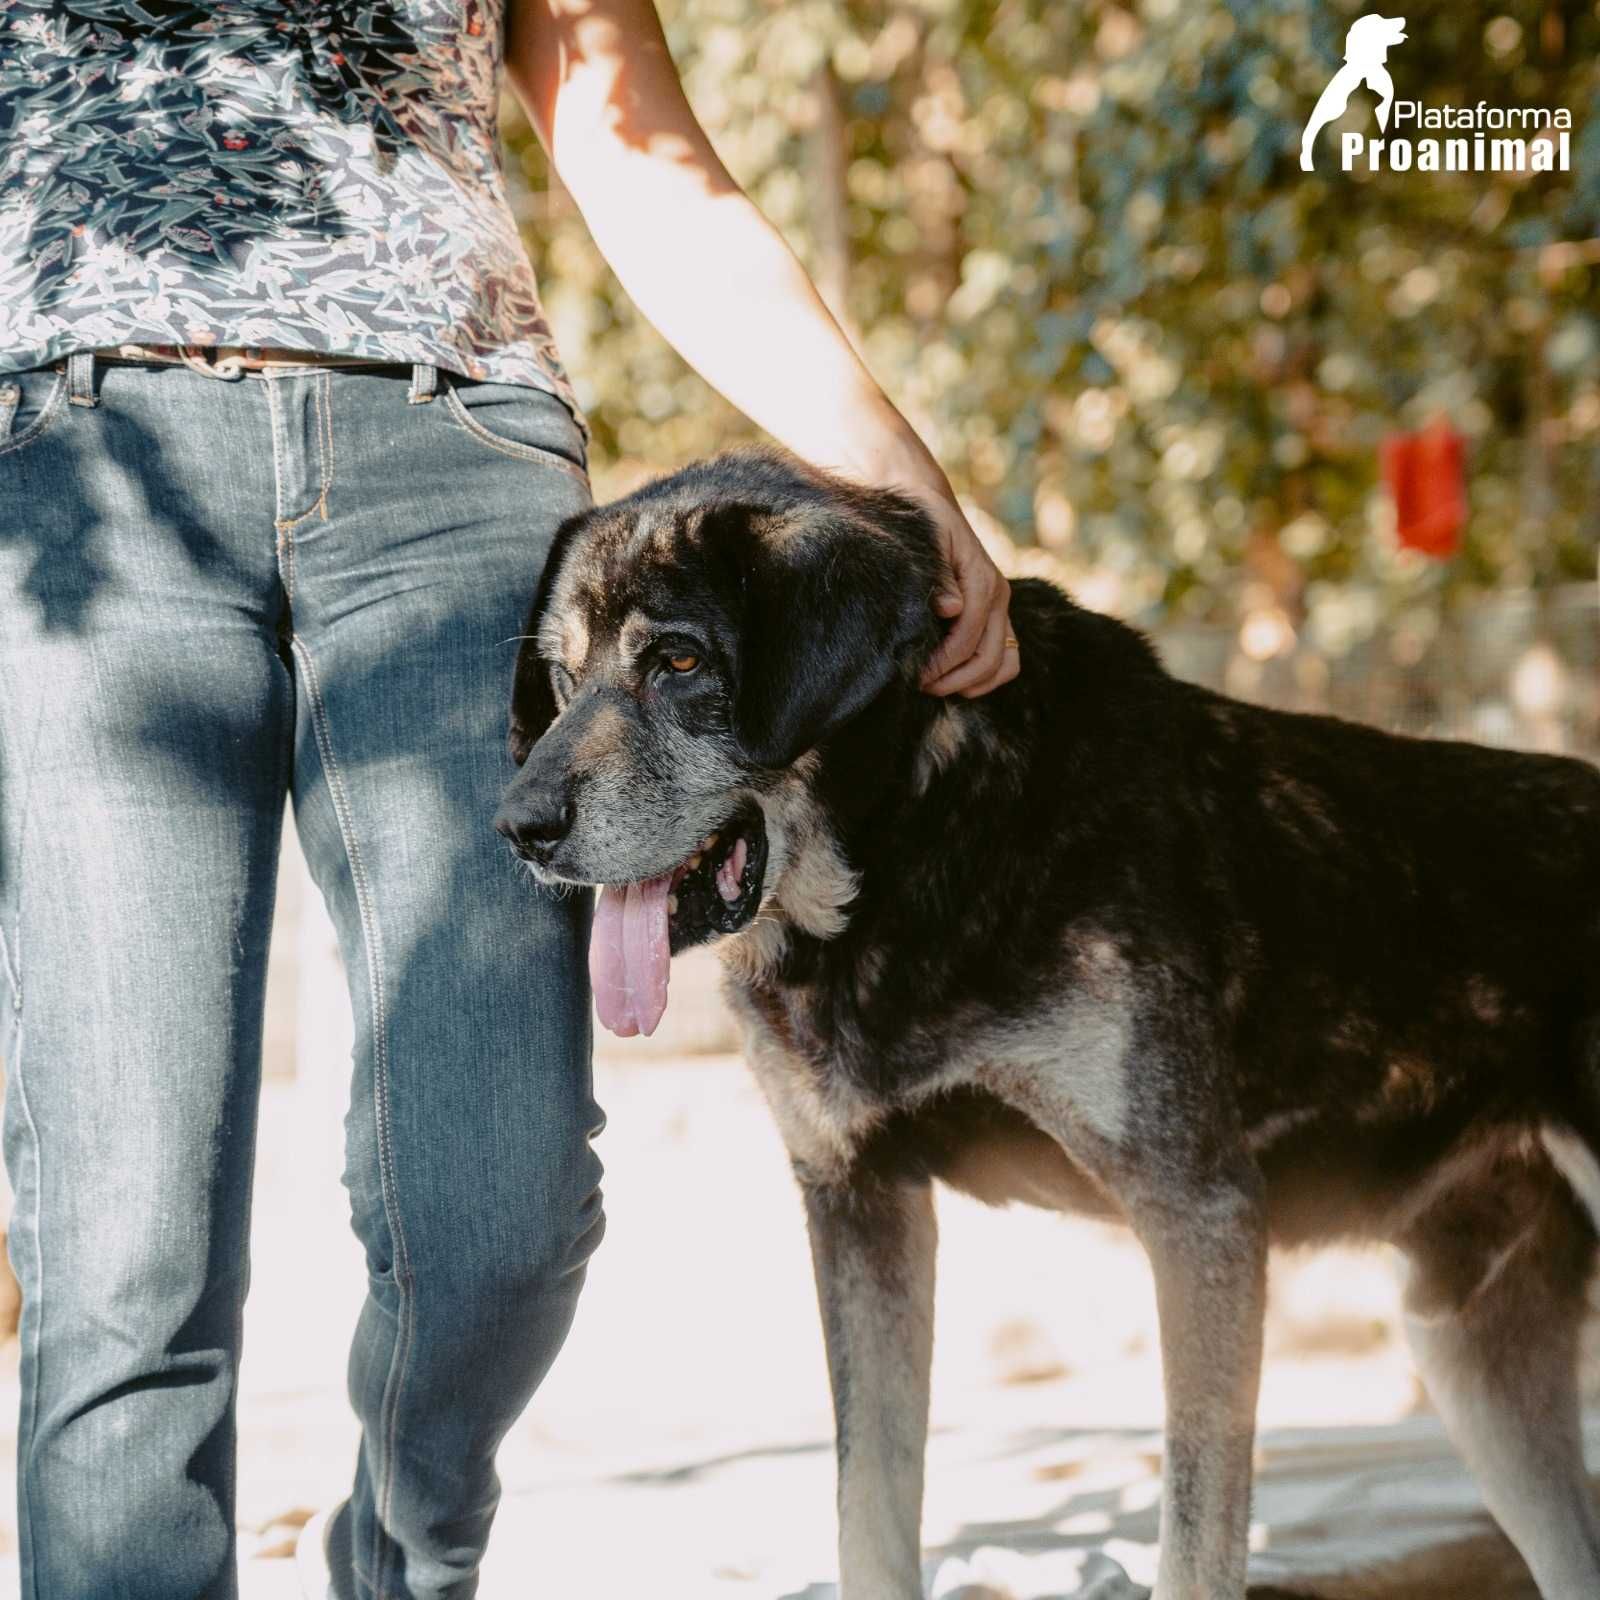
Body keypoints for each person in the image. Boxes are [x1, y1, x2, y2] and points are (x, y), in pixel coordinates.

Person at [0, 1, 1017, 1596]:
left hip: (450, 466)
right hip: (88, 480)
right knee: (125, 1251)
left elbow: (644, 154)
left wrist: (901, 484)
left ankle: (397, 1566)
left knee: (501, 1208)